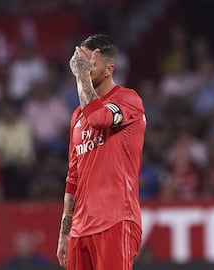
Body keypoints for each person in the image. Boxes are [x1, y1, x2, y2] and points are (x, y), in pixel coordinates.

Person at [56, 34, 146, 270]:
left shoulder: (128, 100)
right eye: (79, 62)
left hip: (116, 219)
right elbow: (73, 176)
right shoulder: (76, 116)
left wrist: (81, 76)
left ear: (109, 69)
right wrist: (65, 230)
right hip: (80, 229)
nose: (80, 67)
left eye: (88, 63)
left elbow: (98, 118)